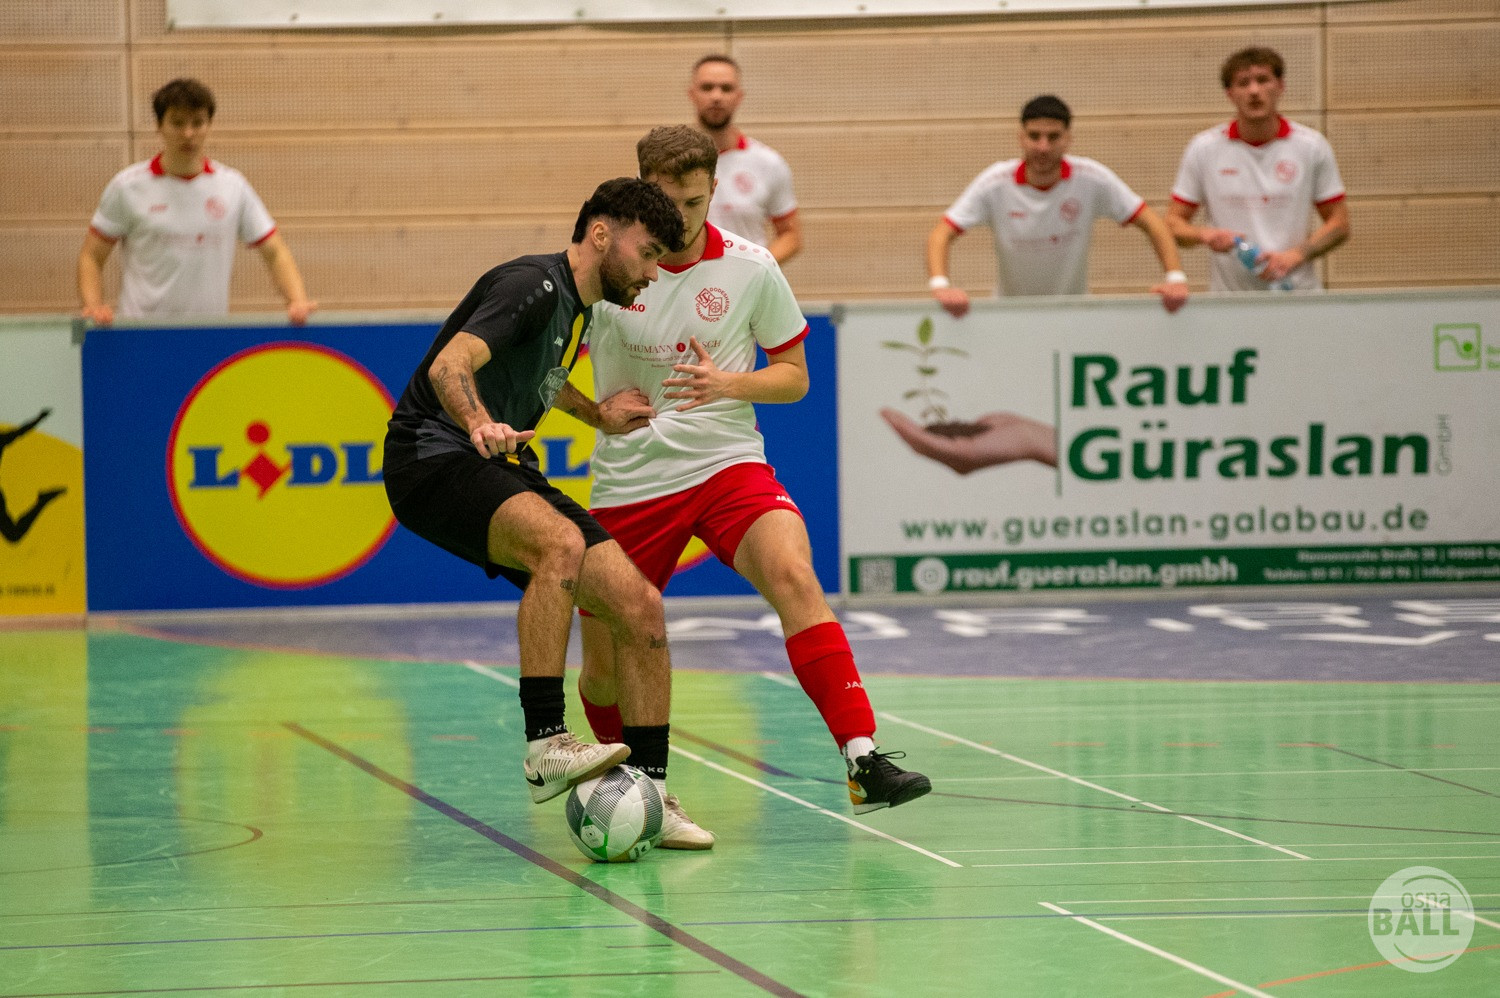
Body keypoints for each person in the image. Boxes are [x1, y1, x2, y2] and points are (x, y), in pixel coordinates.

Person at [558, 127, 932, 851]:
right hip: (631, 481)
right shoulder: (601, 271)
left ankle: (863, 759)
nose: (682, 218)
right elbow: (542, 374)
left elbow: (794, 377)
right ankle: (640, 794)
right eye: (667, 203)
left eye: (694, 202)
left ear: (714, 190)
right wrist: (595, 414)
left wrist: (729, 383)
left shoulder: (752, 267)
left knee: (794, 574)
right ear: (639, 192)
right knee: (602, 667)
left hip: (726, 462)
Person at [382, 178, 700, 831]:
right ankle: (546, 742)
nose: (652, 273)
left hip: (496, 463)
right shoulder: (532, 285)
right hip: (432, 456)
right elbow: (449, 365)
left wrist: (597, 415)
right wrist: (479, 423)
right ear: (601, 234)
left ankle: (651, 792)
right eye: (647, 254)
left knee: (640, 605)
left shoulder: (578, 310)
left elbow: (545, 378)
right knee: (560, 545)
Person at [78, 78, 316, 326]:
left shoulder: (233, 187)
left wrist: (297, 301)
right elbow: (91, 256)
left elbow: (275, 251)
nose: (188, 134)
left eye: (197, 123)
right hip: (141, 333)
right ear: (159, 125)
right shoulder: (127, 187)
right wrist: (93, 307)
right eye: (177, 123)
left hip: (208, 335)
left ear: (209, 125)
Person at [927, 95, 1189, 318]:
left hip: (1074, 316)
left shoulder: (1092, 178)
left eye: (1053, 137)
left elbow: (1151, 222)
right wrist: (940, 286)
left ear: (1068, 139)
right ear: (1021, 137)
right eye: (1034, 136)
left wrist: (1175, 278)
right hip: (1010, 315)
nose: (1043, 147)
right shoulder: (994, 183)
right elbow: (941, 233)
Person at [1165, 47, 1350, 291]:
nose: (1254, 91)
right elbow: (1173, 223)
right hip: (1231, 301)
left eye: (1263, 80)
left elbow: (1339, 224)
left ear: (1280, 86)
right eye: (1243, 83)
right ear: (1230, 94)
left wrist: (1294, 256)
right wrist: (1205, 235)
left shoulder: (1311, 146)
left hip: (1297, 295)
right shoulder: (1204, 149)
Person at [688, 55, 803, 265]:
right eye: (707, 87)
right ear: (692, 94)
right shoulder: (664, 162)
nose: (716, 96)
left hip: (748, 283)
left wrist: (754, 270)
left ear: (739, 96)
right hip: (686, 282)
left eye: (726, 88)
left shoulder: (768, 163)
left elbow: (791, 236)